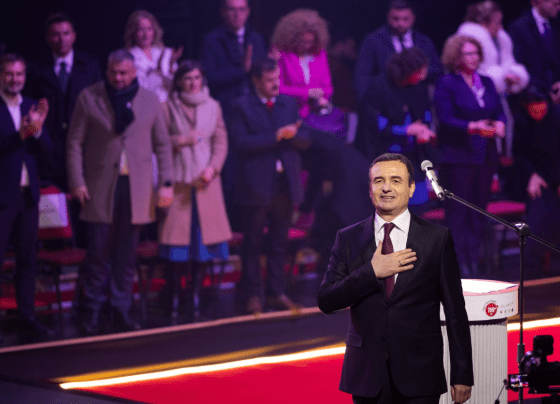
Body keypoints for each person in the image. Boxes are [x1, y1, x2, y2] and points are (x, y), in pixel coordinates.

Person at [318, 152, 473, 404]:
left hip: (421, 374)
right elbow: (327, 300)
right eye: (378, 181)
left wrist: (462, 374)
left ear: (411, 189)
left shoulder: (437, 238)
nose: (386, 187)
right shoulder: (348, 238)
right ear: (370, 189)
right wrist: (371, 273)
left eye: (396, 180)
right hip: (367, 376)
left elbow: (455, 313)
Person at [66, 49, 174, 335]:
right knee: (98, 251)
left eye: (124, 73)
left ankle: (121, 307)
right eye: (113, 72)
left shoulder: (149, 100)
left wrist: (166, 183)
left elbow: (163, 144)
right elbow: (74, 142)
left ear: (134, 72)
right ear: (107, 71)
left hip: (137, 187)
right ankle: (92, 308)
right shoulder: (90, 97)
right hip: (100, 185)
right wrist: (77, 181)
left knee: (127, 254)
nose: (118, 78)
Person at [228, 57, 310, 314]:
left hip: (285, 183)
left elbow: (306, 139)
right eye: (269, 80)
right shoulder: (242, 106)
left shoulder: (287, 103)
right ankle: (253, 294)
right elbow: (240, 143)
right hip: (256, 184)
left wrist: (292, 135)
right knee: (252, 242)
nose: (276, 84)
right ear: (256, 81)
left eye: (278, 79)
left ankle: (277, 292)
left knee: (278, 241)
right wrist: (276, 136)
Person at [159, 61, 232, 320]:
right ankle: (176, 294)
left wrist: (213, 168)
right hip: (179, 184)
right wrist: (181, 140)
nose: (193, 83)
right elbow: (158, 142)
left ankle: (198, 294)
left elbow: (220, 141)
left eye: (197, 77)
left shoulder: (213, 106)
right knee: (178, 244)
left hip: (205, 183)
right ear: (179, 81)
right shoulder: (167, 107)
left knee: (203, 245)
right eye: (188, 78)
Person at [434, 35, 506, 277]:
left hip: (486, 155)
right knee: (459, 212)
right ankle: (458, 263)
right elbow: (445, 118)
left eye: (476, 53)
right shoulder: (447, 82)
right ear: (456, 57)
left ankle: (475, 260)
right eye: (468, 53)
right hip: (459, 157)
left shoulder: (486, 81)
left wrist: (501, 123)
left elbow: (499, 110)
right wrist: (472, 126)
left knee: (479, 210)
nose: (473, 58)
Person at [0, 54, 55, 343]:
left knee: (28, 261)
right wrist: (21, 133)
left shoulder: (31, 106)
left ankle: (26, 317)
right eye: (9, 74)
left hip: (28, 196)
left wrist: (38, 130)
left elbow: (47, 149)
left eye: (19, 74)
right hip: (2, 196)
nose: (15, 79)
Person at [25, 12, 102, 193]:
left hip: (84, 149)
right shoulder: (35, 69)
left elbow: (100, 106)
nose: (61, 39)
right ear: (48, 38)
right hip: (48, 153)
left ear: (74, 36)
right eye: (56, 34)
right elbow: (29, 108)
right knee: (53, 207)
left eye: (66, 34)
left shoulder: (90, 66)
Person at [360, 47, 438, 211]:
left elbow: (424, 115)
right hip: (387, 156)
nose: (423, 76)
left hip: (414, 156)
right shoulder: (378, 86)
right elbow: (375, 126)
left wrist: (423, 130)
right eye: (419, 72)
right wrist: (407, 130)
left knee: (419, 207)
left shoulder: (418, 86)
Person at [457, 1, 529, 159]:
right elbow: (478, 72)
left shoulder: (500, 38)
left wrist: (512, 75)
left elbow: (506, 63)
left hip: (497, 94)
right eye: (497, 23)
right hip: (476, 97)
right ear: (484, 23)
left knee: (504, 130)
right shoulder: (471, 40)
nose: (500, 27)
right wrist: (502, 77)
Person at [512, 85, 560, 279]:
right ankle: (534, 266)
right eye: (533, 110)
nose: (537, 113)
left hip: (556, 175)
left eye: (541, 108)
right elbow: (519, 154)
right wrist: (533, 174)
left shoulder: (557, 117)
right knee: (539, 209)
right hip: (535, 178)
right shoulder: (522, 122)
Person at [354, 0, 443, 103]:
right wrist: (365, 102)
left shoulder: (423, 41)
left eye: (405, 19)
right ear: (388, 17)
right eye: (395, 18)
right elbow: (362, 75)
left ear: (413, 18)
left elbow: (437, 69)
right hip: (386, 100)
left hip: (417, 99)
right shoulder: (373, 41)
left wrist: (418, 73)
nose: (400, 23)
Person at [200, 0, 267, 111]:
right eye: (232, 9)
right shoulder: (212, 40)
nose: (237, 15)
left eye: (242, 9)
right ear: (223, 12)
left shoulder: (257, 39)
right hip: (226, 106)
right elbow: (208, 78)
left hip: (255, 106)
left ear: (248, 12)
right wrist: (242, 70)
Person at [270, 9, 333, 119]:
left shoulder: (320, 54)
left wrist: (323, 98)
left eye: (311, 42)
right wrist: (306, 93)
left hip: (316, 114)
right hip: (288, 113)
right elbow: (278, 88)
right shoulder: (282, 55)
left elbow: (328, 87)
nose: (307, 46)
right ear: (293, 39)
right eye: (303, 42)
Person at [124, 10, 183, 103]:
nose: (146, 35)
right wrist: (158, 72)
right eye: (140, 30)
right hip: (143, 104)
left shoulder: (165, 53)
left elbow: (177, 85)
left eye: (149, 29)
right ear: (133, 32)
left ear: (155, 31)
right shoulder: (128, 57)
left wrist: (171, 67)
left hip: (168, 104)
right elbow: (138, 87)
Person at [508, 0, 560, 104]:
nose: (559, 8)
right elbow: (519, 65)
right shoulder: (518, 27)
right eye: (555, 4)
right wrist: (546, 91)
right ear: (538, 2)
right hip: (533, 97)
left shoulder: (557, 24)